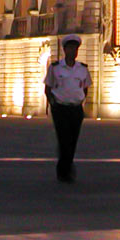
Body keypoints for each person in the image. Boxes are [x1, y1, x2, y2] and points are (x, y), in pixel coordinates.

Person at [44, 34, 91, 183]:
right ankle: (64, 171)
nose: (73, 51)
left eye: (75, 49)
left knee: (73, 140)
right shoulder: (55, 68)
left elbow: (85, 88)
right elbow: (48, 87)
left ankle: (66, 166)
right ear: (65, 50)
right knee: (63, 139)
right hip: (60, 109)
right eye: (70, 48)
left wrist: (80, 100)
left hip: (76, 109)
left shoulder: (82, 69)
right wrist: (53, 104)